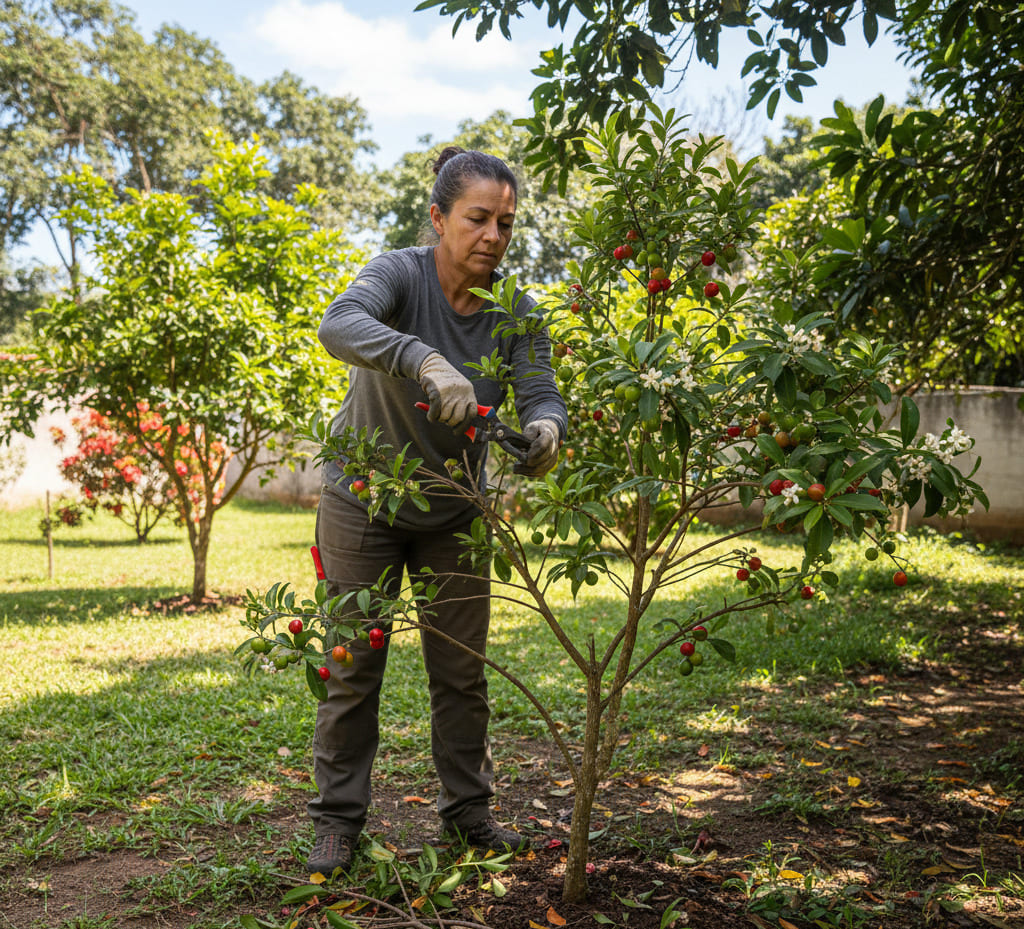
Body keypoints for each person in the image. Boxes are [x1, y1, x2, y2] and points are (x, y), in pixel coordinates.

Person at [307, 147, 569, 876]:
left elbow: (540, 389)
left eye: (506, 224)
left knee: (462, 670)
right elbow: (339, 325)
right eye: (477, 218)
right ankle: (337, 823)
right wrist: (421, 358)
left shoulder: (514, 309)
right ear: (438, 218)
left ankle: (469, 815)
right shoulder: (399, 273)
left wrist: (547, 427)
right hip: (365, 500)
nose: (492, 235)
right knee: (355, 663)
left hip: (455, 507)